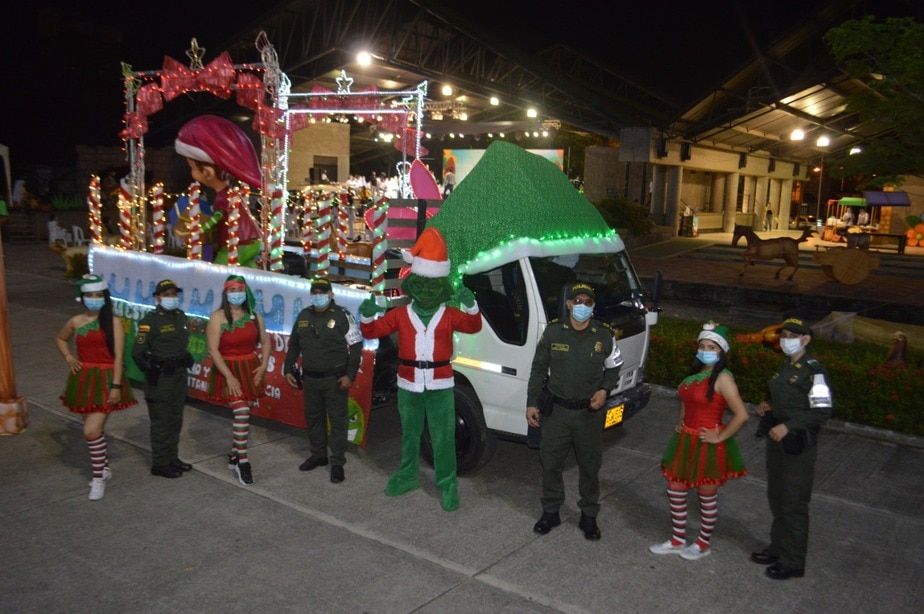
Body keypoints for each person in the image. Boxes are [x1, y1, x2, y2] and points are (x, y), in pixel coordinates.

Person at [359, 228, 482, 511]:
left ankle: (447, 483)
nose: (427, 290)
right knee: (410, 433)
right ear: (412, 284)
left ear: (442, 287)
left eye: (432, 285)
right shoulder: (400, 314)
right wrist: (367, 314)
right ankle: (407, 475)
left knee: (443, 437)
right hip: (408, 382)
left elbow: (474, 326)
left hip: (440, 383)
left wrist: (471, 305)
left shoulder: (449, 314)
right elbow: (373, 330)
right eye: (422, 284)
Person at [525, 281, 622, 540]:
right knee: (550, 464)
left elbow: (614, 367)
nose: (582, 306)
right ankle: (551, 511)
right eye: (577, 301)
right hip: (556, 412)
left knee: (590, 467)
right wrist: (532, 402)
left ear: (593, 306)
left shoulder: (603, 335)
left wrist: (605, 390)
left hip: (588, 415)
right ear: (568, 304)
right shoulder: (553, 333)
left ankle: (589, 516)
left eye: (587, 302)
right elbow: (538, 369)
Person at [648, 323, 748, 560]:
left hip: (707, 444)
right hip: (685, 440)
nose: (705, 350)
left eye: (711, 347)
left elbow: (742, 414)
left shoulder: (723, 378)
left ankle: (703, 543)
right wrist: (681, 420)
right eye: (702, 346)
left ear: (721, 351)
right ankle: (677, 539)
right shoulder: (694, 375)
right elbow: (686, 399)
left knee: (706, 494)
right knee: (676, 488)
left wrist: (720, 436)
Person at [751, 317, 833, 580]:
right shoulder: (785, 365)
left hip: (797, 444)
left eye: (791, 335)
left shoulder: (813, 371)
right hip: (778, 441)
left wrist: (789, 426)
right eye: (784, 334)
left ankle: (793, 561)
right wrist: (768, 406)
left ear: (805, 339)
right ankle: (778, 548)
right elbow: (787, 398)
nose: (785, 339)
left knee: (793, 502)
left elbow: (822, 410)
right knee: (777, 496)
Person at [56, 274, 137, 500]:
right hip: (83, 380)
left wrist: (115, 386)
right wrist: (68, 357)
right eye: (89, 295)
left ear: (104, 297)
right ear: (82, 297)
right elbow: (61, 338)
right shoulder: (75, 321)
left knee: (90, 431)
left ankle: (98, 478)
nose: (94, 299)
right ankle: (105, 468)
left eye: (98, 295)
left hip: (106, 379)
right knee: (94, 431)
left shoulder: (113, 322)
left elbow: (119, 357)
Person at [283, 277, 363, 483]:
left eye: (322, 293)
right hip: (310, 379)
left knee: (337, 421)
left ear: (331, 294)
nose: (318, 296)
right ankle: (318, 455)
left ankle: (337, 462)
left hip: (335, 380)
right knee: (314, 418)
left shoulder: (343, 315)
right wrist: (288, 367)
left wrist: (350, 375)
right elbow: (294, 345)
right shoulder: (304, 315)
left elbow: (355, 346)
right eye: (315, 293)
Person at [174, 115, 264, 267]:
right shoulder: (231, 193)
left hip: (238, 244)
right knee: (249, 273)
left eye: (193, 168)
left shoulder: (224, 197)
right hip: (250, 241)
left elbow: (217, 217)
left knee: (219, 273)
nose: (192, 173)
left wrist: (199, 229)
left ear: (208, 172)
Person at [206, 275, 270, 485]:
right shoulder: (217, 317)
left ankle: (234, 454)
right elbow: (213, 349)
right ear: (226, 293)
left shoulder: (254, 317)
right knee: (241, 411)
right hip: (228, 369)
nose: (236, 294)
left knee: (245, 413)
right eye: (232, 290)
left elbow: (266, 341)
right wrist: (229, 376)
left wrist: (263, 365)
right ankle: (243, 461)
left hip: (250, 368)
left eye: (240, 289)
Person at [132, 279, 193, 478]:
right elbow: (138, 352)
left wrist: (184, 356)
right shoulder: (150, 321)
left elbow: (182, 344)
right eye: (166, 295)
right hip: (160, 379)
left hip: (178, 375)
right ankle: (159, 463)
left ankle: (172, 457)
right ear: (158, 298)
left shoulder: (181, 317)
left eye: (174, 294)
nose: (171, 298)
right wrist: (154, 366)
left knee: (175, 419)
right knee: (161, 421)